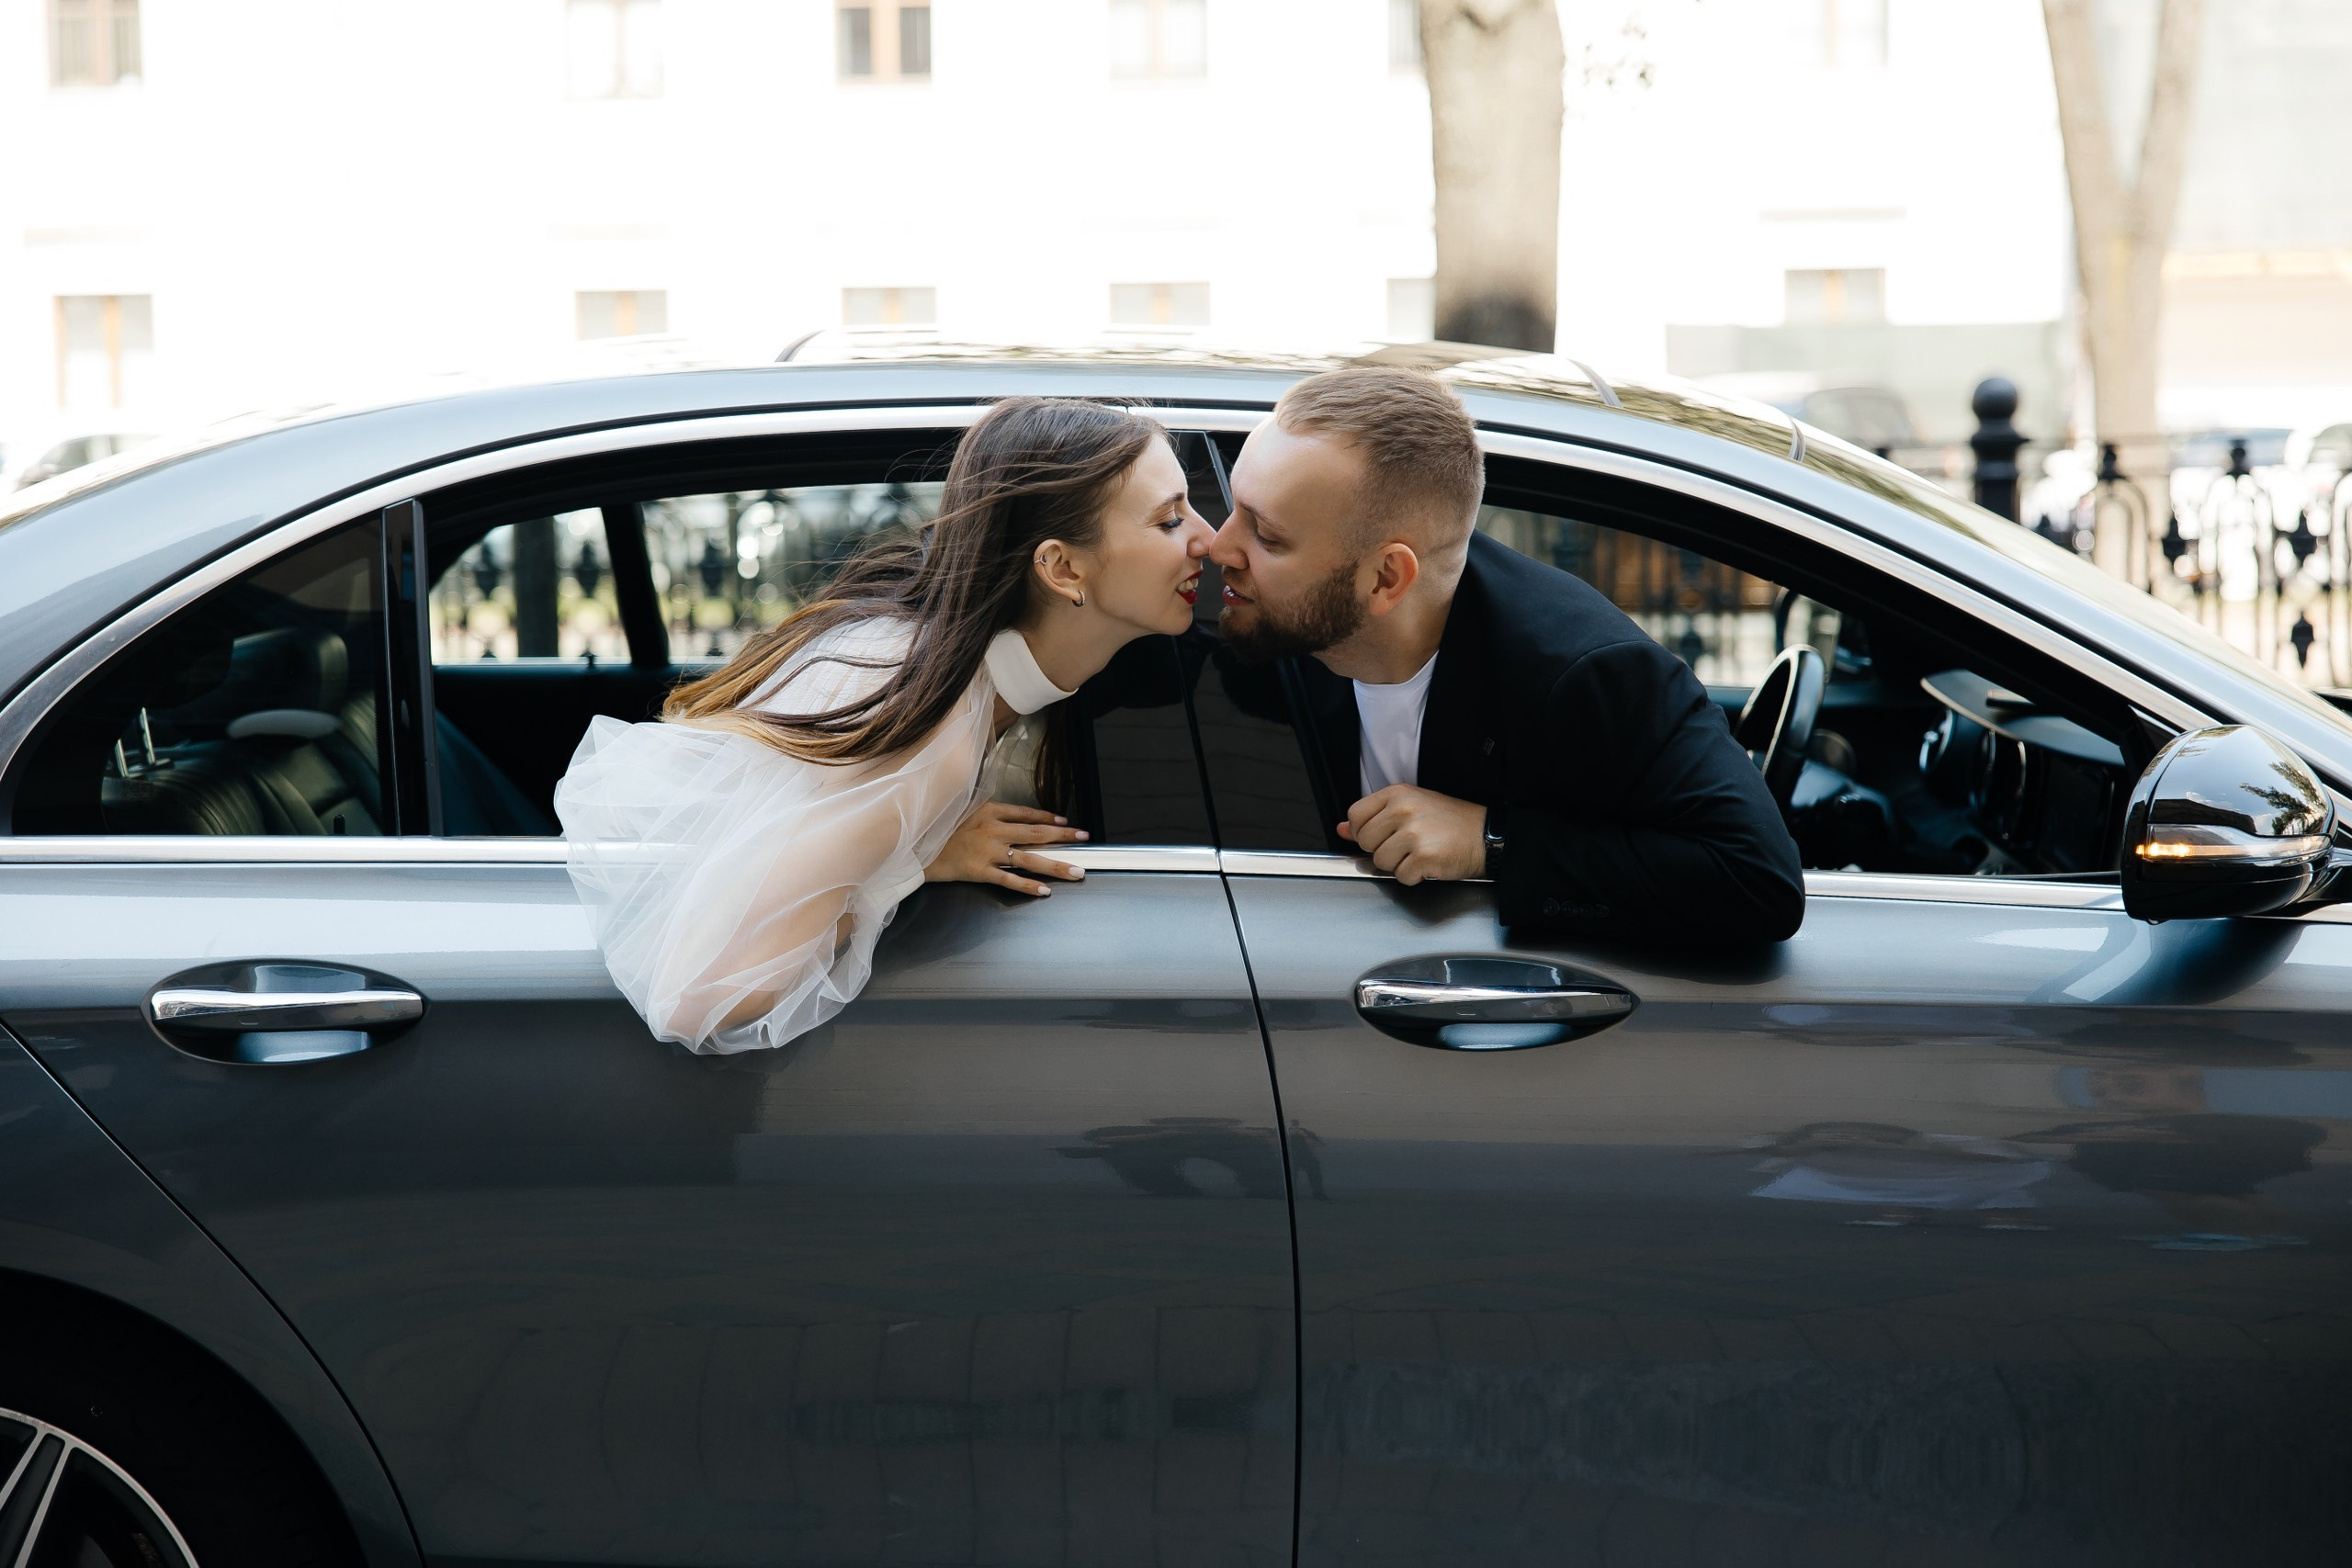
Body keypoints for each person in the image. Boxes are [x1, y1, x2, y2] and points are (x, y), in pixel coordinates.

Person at [556, 398, 1214, 1052]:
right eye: (1171, 519)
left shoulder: (991, 670)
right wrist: (918, 859)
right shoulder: (936, 726)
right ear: (1061, 567)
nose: (1209, 539)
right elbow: (697, 990)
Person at [1209, 367, 1804, 943]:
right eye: (1234, 506)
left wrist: (1490, 841)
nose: (1218, 546)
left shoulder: (1583, 672)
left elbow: (1757, 878)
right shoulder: (1258, 619)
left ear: (1387, 578)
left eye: (1267, 535)